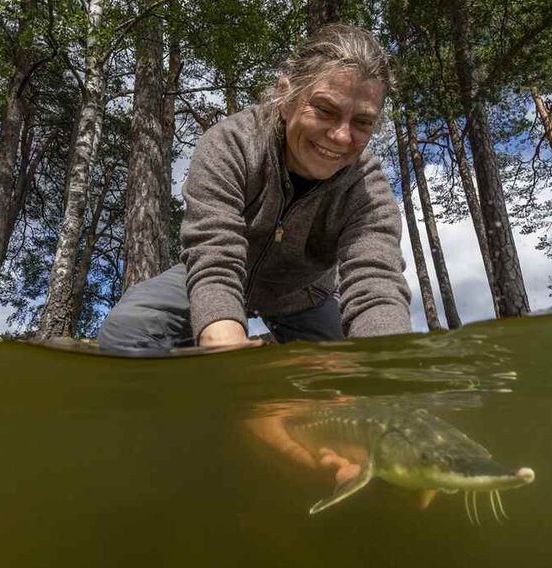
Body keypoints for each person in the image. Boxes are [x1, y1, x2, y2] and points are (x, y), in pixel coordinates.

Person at [98, 24, 412, 353]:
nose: (341, 137)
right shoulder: (232, 143)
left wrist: (382, 368)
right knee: (127, 331)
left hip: (306, 296)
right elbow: (213, 253)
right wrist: (223, 342)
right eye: (325, 110)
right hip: (214, 277)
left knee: (347, 372)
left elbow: (376, 284)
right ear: (286, 97)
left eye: (362, 122)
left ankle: (274, 351)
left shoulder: (368, 189)